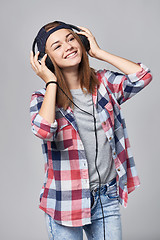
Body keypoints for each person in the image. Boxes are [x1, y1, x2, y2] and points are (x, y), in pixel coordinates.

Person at [30, 21, 152, 240]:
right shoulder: (42, 98)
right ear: (45, 60)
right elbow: (44, 131)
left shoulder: (104, 83)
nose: (67, 46)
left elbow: (142, 76)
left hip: (106, 197)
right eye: (57, 46)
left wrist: (98, 52)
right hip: (65, 201)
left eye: (71, 39)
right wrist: (50, 81)